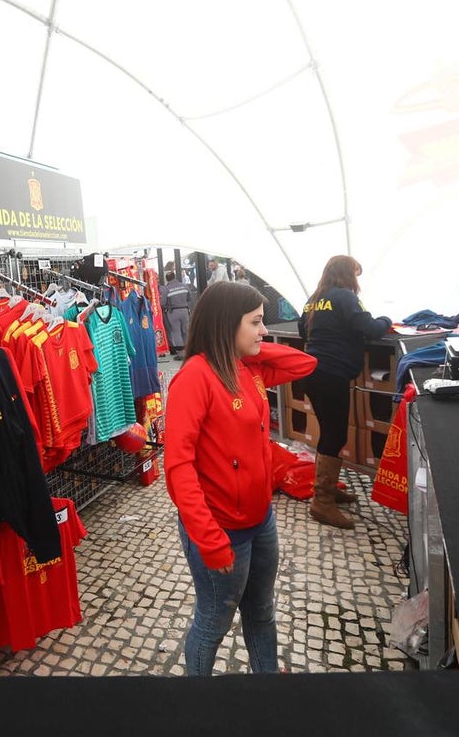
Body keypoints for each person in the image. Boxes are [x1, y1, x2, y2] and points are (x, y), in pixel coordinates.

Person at [164, 282, 316, 675]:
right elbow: (178, 467)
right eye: (256, 322)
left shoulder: (247, 367)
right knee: (214, 622)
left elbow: (304, 364)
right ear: (226, 324)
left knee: (261, 611)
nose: (264, 331)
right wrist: (209, 539)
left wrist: (247, 347)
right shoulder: (194, 378)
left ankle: (267, 683)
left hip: (260, 519)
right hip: (221, 529)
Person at [297, 256, 391, 529]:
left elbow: (304, 330)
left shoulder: (315, 298)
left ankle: (327, 490)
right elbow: (370, 327)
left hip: (313, 371)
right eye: (356, 274)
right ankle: (322, 502)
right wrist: (386, 318)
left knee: (329, 431)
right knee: (335, 433)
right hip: (332, 373)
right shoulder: (345, 296)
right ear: (348, 274)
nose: (357, 280)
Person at [158, 270, 196, 359]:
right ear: (175, 277)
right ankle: (188, 352)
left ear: (167, 279)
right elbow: (189, 298)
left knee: (176, 332)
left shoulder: (167, 289)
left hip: (173, 312)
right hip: (185, 311)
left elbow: (162, 303)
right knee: (186, 331)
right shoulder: (184, 286)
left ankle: (181, 354)